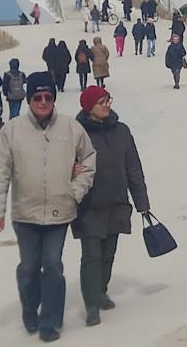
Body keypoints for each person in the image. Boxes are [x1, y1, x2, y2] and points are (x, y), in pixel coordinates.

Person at [0, 71, 96, 342]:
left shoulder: (71, 129)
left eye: (48, 96)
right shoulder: (12, 131)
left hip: (60, 212)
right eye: (37, 96)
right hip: (25, 213)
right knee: (28, 267)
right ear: (29, 98)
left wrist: (76, 190)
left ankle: (50, 321)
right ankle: (29, 307)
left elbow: (89, 159)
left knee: (52, 265)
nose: (43, 101)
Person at [72, 86, 150, 326]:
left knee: (108, 254)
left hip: (116, 202)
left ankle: (101, 290)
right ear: (88, 107)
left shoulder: (122, 131)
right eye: (101, 101)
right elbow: (60, 165)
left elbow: (133, 168)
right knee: (92, 256)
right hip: (88, 206)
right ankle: (92, 304)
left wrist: (142, 202)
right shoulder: (76, 134)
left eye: (108, 100)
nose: (106, 104)